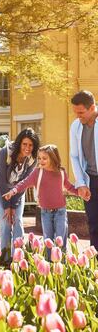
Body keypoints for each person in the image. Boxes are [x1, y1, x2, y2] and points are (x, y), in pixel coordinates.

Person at [4, 145, 78, 257]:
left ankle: (61, 266)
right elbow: (24, 183)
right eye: (39, 158)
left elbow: (70, 187)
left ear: (53, 158)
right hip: (46, 213)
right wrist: (13, 191)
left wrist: (81, 193)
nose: (41, 161)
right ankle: (48, 264)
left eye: (44, 158)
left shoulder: (61, 173)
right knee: (48, 240)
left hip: (61, 212)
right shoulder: (37, 173)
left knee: (61, 240)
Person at [0, 128, 40, 259]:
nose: (27, 148)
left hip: (17, 188)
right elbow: (1, 180)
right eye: (25, 144)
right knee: (6, 220)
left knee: (17, 219)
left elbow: (25, 182)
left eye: (30, 145)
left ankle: (17, 257)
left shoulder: (33, 159)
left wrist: (14, 204)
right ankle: (5, 258)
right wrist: (7, 206)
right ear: (19, 143)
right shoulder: (5, 152)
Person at [70, 90, 98, 250]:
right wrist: (80, 183)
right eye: (75, 112)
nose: (78, 116)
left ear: (92, 107)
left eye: (81, 113)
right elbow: (74, 156)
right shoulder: (75, 126)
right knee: (93, 223)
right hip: (91, 180)